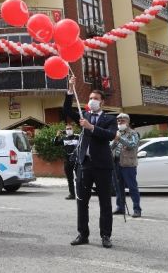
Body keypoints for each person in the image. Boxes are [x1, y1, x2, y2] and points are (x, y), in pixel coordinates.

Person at [63, 75, 117, 249]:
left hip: (103, 165)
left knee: (105, 203)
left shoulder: (109, 119)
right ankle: (83, 234)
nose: (92, 101)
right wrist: (70, 89)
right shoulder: (83, 115)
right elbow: (66, 109)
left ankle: (105, 235)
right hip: (84, 165)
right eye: (90, 98)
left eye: (96, 99)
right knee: (82, 201)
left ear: (101, 102)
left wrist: (91, 127)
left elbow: (110, 135)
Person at [110, 113, 141, 217]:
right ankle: (120, 207)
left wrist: (120, 139)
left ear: (127, 122)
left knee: (132, 187)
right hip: (116, 163)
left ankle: (137, 209)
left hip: (128, 164)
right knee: (118, 187)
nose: (119, 122)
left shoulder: (133, 133)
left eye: (122, 121)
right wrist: (114, 141)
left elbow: (132, 145)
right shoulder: (116, 133)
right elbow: (110, 146)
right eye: (118, 121)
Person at [53, 124, 79, 200]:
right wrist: (57, 135)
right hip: (67, 161)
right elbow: (55, 143)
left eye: (70, 128)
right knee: (69, 179)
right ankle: (72, 194)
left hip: (76, 161)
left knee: (79, 178)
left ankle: (80, 194)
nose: (69, 130)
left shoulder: (77, 137)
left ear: (73, 129)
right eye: (67, 129)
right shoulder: (64, 138)